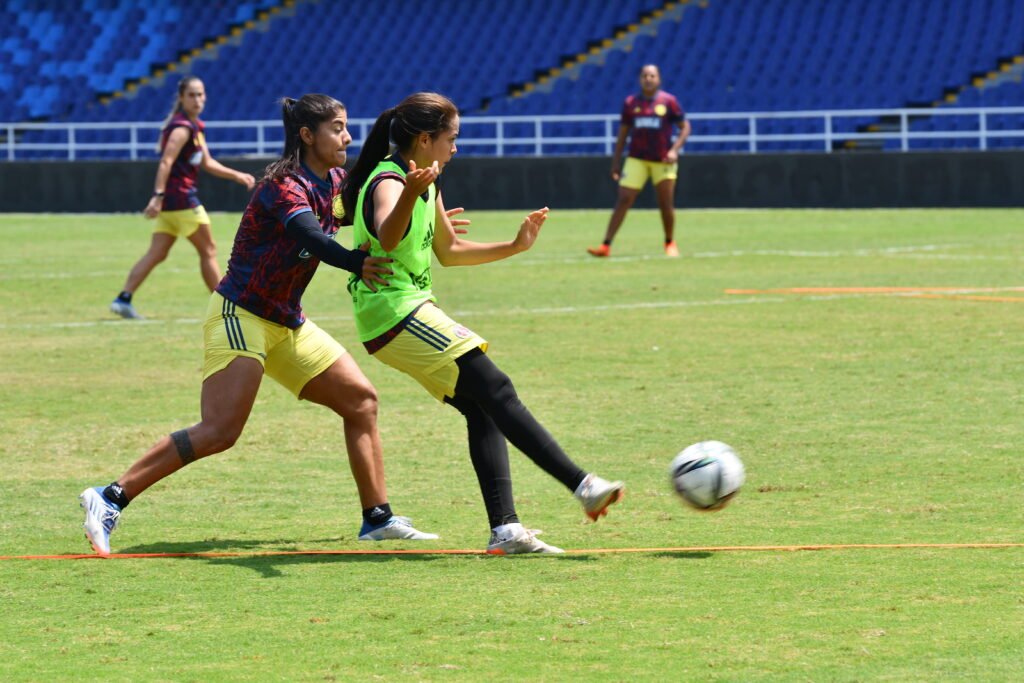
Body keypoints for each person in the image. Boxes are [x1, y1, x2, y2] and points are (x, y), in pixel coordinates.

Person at [80, 94, 439, 555]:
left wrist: (418, 209)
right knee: (220, 430)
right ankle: (110, 497)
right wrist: (356, 262)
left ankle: (378, 518)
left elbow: (370, 204)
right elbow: (309, 234)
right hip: (242, 314)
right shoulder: (283, 185)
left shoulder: (333, 181)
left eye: (348, 127)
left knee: (361, 401)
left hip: (287, 322)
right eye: (337, 128)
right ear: (307, 135)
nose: (346, 137)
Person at [342, 92, 625, 556]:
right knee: (497, 388)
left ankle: (506, 531)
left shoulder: (427, 181)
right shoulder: (392, 180)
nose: (455, 147)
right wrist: (410, 194)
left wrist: (514, 245)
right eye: (450, 138)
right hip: (393, 313)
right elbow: (388, 236)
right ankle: (583, 485)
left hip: (405, 312)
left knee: (483, 407)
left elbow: (450, 252)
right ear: (424, 139)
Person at [110, 76, 256, 320]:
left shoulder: (194, 126)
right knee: (209, 250)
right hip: (181, 199)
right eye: (192, 95)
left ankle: (123, 299)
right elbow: (165, 162)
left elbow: (207, 162)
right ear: (181, 98)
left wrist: (237, 175)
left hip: (172, 203)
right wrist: (157, 195)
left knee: (157, 253)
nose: (197, 100)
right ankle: (225, 307)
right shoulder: (182, 129)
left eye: (200, 94)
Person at [587, 64, 691, 259]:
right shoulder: (631, 103)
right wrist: (616, 162)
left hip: (662, 160)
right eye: (644, 76)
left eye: (652, 75)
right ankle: (606, 245)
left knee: (665, 203)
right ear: (640, 79)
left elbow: (685, 127)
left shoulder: (668, 101)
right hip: (637, 158)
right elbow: (623, 134)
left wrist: (674, 150)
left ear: (658, 79)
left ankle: (669, 242)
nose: (648, 79)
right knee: (624, 198)